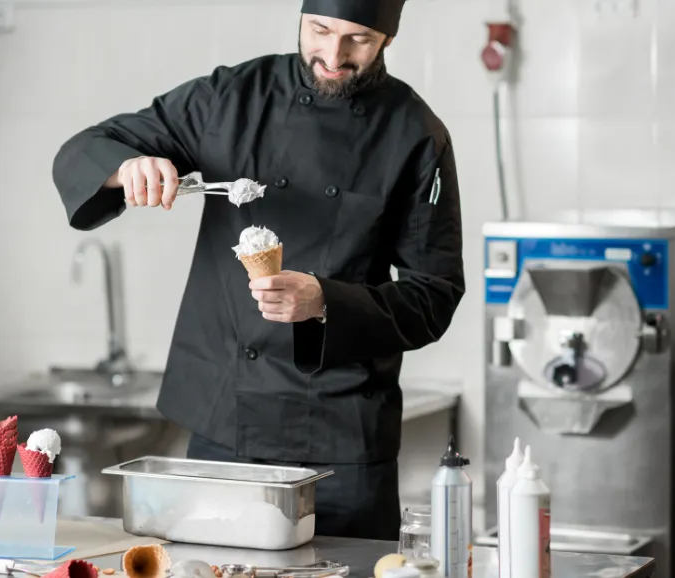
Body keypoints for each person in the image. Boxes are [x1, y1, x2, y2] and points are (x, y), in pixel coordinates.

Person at [51, 0, 464, 540]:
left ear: (388, 36)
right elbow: (84, 148)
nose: (333, 56)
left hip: (343, 441)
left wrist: (324, 301)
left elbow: (435, 294)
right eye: (319, 30)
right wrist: (127, 165)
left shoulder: (416, 134)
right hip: (227, 422)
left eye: (358, 40)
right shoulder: (232, 98)